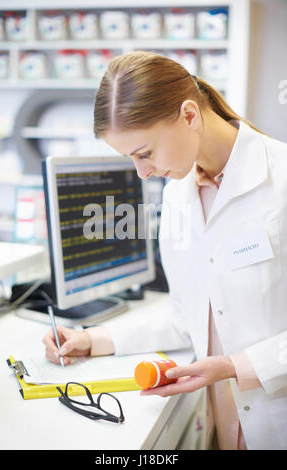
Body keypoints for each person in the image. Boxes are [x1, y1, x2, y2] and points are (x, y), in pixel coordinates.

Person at [43, 51, 287, 450]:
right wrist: (94, 339)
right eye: (130, 159)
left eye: (145, 153)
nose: (142, 173)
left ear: (190, 115)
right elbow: (187, 315)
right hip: (225, 426)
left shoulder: (281, 178)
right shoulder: (178, 196)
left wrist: (232, 367)